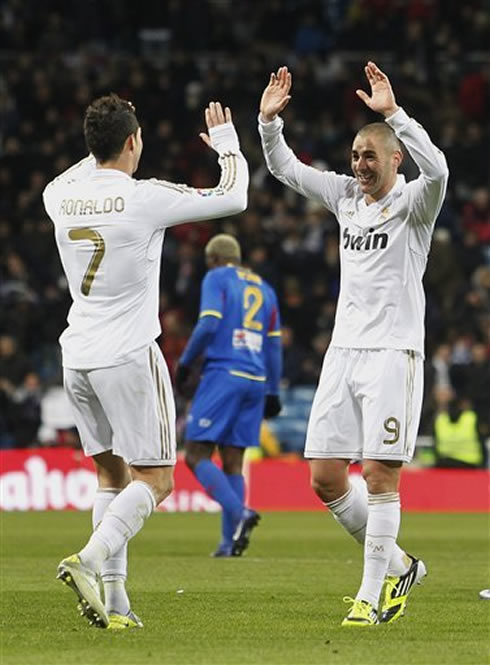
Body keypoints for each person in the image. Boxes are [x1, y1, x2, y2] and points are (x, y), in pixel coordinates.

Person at [42, 95, 248, 629]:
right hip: (128, 354)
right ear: (133, 142)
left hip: (78, 355)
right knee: (155, 479)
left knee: (111, 476)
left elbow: (91, 160)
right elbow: (236, 196)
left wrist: (106, 135)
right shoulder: (145, 197)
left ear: (91, 146)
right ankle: (87, 558)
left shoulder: (57, 196)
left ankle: (115, 605)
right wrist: (226, 144)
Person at [259, 62, 448, 626]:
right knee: (323, 475)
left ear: (395, 159)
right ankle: (400, 565)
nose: (359, 165)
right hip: (343, 353)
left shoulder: (416, 204)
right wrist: (269, 124)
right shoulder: (344, 197)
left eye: (370, 155)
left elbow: (438, 168)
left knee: (381, 476)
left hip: (393, 353)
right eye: (355, 155)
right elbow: (286, 169)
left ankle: (371, 595)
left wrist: (393, 114)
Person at [175, 233, 282, 557]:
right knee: (233, 460)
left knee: (195, 454)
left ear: (212, 259)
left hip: (224, 373)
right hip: (255, 378)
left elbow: (209, 323)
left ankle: (241, 514)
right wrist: (273, 389)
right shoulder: (265, 289)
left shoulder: (216, 277)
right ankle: (228, 543)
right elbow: (274, 344)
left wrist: (185, 362)